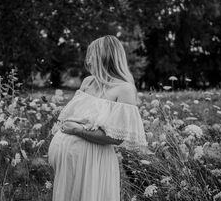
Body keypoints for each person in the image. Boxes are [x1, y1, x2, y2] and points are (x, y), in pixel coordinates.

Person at [48, 35, 147, 201]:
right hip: (68, 166)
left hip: (93, 163)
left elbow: (116, 138)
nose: (88, 60)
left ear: (105, 57)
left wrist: (77, 130)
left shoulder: (124, 89)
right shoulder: (88, 82)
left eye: (92, 54)